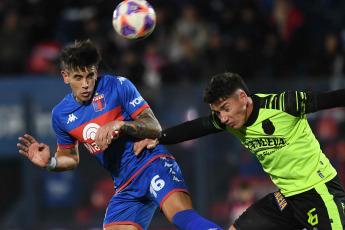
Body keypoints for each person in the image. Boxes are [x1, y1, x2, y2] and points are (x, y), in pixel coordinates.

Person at [17, 40, 222, 230]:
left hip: (151, 163)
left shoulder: (118, 85)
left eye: (90, 75)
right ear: (65, 76)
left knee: (181, 217)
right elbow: (70, 157)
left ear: (96, 70)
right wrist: (50, 162)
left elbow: (154, 126)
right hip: (124, 184)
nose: (86, 84)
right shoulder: (61, 115)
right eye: (78, 78)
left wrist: (121, 124)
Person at [135, 72, 345, 229]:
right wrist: (159, 137)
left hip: (319, 191)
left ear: (243, 98)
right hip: (287, 198)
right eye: (217, 112)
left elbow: (330, 99)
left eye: (225, 108)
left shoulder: (284, 104)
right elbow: (196, 127)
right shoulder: (225, 121)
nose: (223, 118)